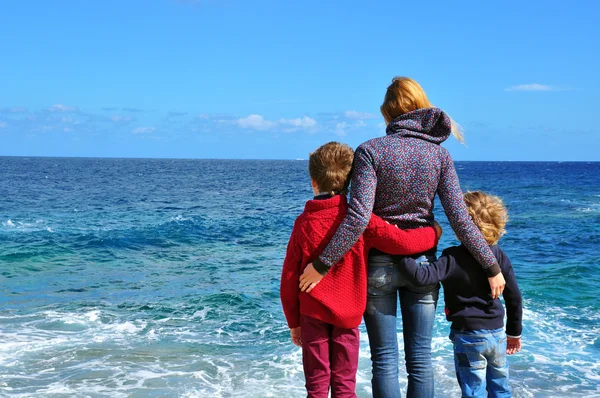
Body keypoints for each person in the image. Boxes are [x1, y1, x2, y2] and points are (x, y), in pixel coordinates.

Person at [299, 77, 506, 398]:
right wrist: (491, 266)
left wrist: (322, 264)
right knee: (420, 360)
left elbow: (358, 216)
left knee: (384, 360)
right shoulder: (438, 156)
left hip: (378, 268)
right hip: (423, 267)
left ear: (389, 112)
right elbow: (460, 219)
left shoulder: (370, 151)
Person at [280, 142, 441, 398]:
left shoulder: (303, 223)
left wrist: (293, 323)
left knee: (316, 388)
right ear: (350, 183)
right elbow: (403, 243)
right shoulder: (361, 221)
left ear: (313, 182)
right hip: (347, 316)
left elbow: (289, 278)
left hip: (311, 315)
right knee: (345, 387)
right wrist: (434, 233)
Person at [398, 191, 522, 398]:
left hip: (468, 335)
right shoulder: (498, 255)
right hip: (497, 334)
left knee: (473, 390)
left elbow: (422, 276)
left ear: (461, 224)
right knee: (501, 388)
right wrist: (514, 333)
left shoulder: (452, 257)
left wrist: (401, 253)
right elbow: (514, 297)